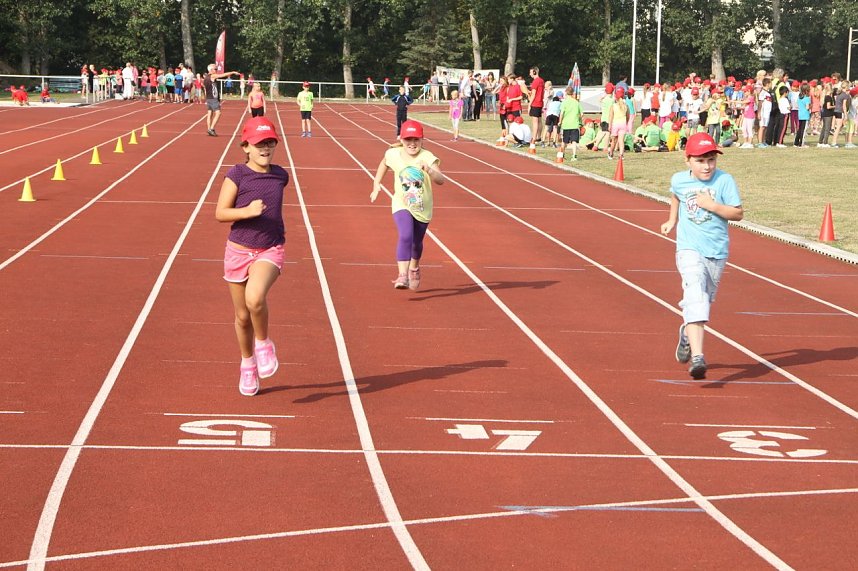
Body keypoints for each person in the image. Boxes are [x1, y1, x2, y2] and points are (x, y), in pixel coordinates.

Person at [214, 116, 289, 396]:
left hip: (269, 248)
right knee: (242, 316)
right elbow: (220, 213)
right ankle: (247, 364)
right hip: (238, 250)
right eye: (258, 143)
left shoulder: (281, 175)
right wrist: (247, 212)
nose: (265, 148)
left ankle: (264, 344)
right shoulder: (236, 174)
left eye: (270, 142)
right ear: (245, 146)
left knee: (255, 298)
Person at [660, 132, 743, 380]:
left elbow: (738, 214)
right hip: (688, 247)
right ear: (688, 161)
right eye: (700, 161)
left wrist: (712, 206)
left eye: (711, 160)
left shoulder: (725, 181)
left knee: (705, 300)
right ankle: (698, 358)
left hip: (716, 251)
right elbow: (676, 195)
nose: (707, 166)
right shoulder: (679, 180)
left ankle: (687, 332)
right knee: (695, 294)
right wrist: (672, 220)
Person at [370, 120, 445, 290]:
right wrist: (376, 184)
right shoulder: (393, 154)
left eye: (416, 140)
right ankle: (402, 275)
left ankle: (414, 268)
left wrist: (430, 171)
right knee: (405, 235)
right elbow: (383, 164)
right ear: (401, 140)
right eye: (408, 140)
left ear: (422, 140)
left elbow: (441, 180)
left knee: (416, 243)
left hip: (422, 207)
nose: (412, 144)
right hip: (401, 203)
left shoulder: (427, 156)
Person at [204, 64, 239, 136]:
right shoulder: (212, 76)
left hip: (208, 98)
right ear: (211, 70)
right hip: (213, 98)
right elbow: (223, 75)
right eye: (215, 69)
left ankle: (209, 128)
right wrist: (232, 72)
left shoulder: (205, 77)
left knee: (210, 114)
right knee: (218, 113)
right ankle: (211, 128)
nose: (216, 70)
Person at [557, 86, 583, 161]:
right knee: (574, 141)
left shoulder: (564, 102)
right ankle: (574, 155)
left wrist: (560, 122)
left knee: (564, 141)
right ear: (572, 93)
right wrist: (580, 122)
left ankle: (562, 154)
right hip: (575, 124)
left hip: (566, 125)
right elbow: (581, 114)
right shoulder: (576, 102)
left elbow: (562, 113)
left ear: (566, 93)